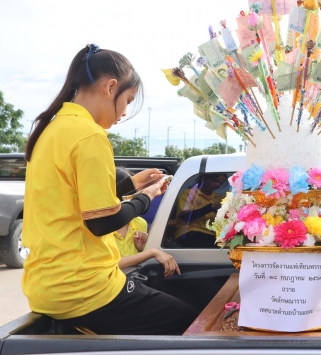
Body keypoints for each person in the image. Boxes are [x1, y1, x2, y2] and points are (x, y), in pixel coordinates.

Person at [22, 45, 196, 335]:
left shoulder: (51, 129)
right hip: (84, 288)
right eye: (127, 100)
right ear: (110, 87)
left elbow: (74, 199)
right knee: (190, 319)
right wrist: (146, 197)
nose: (124, 112)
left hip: (45, 285)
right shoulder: (89, 135)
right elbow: (101, 222)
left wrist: (131, 185)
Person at [113, 168, 180, 278]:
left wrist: (143, 248)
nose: (130, 197)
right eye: (126, 191)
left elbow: (138, 263)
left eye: (133, 191)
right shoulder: (99, 226)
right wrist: (151, 252)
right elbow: (108, 264)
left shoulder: (140, 223)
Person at [174, 173, 228, 248]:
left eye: (221, 182)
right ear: (203, 178)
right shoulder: (188, 193)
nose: (218, 184)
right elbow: (185, 216)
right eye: (215, 181)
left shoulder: (218, 197)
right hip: (191, 232)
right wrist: (212, 207)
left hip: (213, 235)